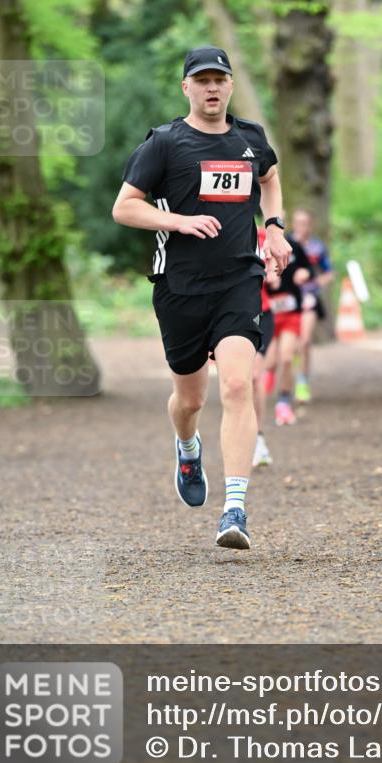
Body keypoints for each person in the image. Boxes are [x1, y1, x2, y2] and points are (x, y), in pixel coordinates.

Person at [112, 46, 291, 550]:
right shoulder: (166, 143)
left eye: (220, 79)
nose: (212, 88)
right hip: (180, 288)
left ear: (230, 85)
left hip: (239, 279)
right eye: (202, 80)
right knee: (190, 399)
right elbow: (124, 208)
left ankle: (234, 508)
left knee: (237, 385)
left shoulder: (251, 139)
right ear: (186, 87)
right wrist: (178, 221)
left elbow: (270, 177)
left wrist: (273, 228)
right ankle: (187, 447)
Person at [263, 225, 314, 426]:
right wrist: (266, 279)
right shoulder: (258, 246)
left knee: (286, 358)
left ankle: (284, 401)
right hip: (269, 313)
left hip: (291, 313)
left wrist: (303, 273)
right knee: (271, 362)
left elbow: (307, 268)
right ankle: (263, 389)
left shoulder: (292, 246)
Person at [290, 208, 334, 404]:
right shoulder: (285, 243)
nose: (301, 227)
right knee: (290, 345)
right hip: (288, 300)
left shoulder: (317, 247)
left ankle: (302, 382)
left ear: (311, 225)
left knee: (305, 341)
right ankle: (282, 376)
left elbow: (329, 273)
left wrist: (314, 283)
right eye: (298, 223)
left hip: (309, 297)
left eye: (305, 223)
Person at [252, 226, 276, 467]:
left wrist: (272, 272)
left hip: (261, 311)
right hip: (229, 313)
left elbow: (275, 273)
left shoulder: (261, 235)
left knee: (254, 376)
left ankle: (258, 438)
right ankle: (242, 434)